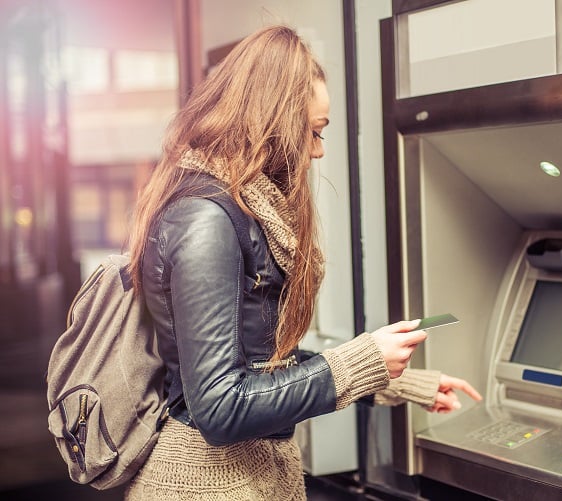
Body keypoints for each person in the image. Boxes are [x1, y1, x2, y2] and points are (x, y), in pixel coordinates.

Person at [124, 25, 481, 500]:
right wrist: (362, 360)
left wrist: (396, 380)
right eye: (313, 132)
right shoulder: (207, 220)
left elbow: (261, 365)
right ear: (269, 122)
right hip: (203, 484)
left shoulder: (237, 210)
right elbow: (220, 406)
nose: (318, 150)